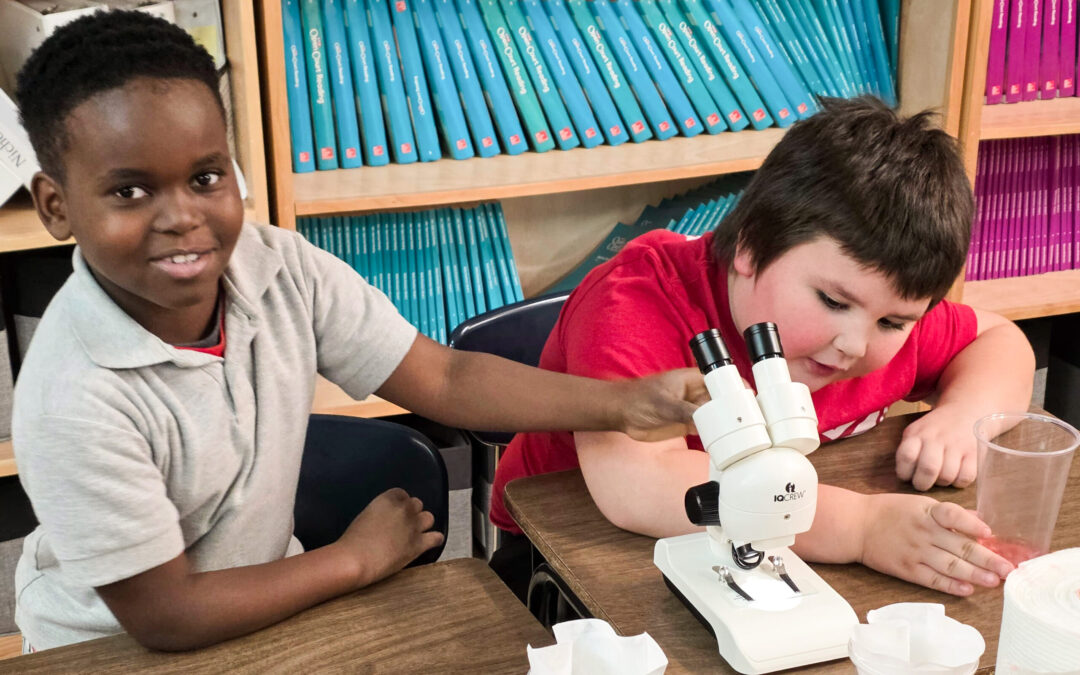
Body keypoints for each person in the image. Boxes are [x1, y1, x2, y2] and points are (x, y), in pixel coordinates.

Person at [10, 10, 708, 653]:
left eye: (205, 176)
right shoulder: (72, 396)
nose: (181, 216)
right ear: (56, 205)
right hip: (108, 644)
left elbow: (447, 376)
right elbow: (167, 614)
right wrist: (355, 558)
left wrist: (626, 401)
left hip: (267, 595)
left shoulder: (278, 267)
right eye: (130, 191)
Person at [490, 97, 1035, 600]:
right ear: (749, 248)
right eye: (832, 301)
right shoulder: (634, 301)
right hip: (561, 566)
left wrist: (963, 416)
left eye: (894, 321)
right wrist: (862, 529)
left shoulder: (873, 315)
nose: (854, 344)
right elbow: (639, 487)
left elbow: (998, 340)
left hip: (767, 563)